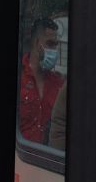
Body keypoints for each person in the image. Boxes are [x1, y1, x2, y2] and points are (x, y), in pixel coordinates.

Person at [19, 17, 65, 146]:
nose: (54, 51)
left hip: (45, 161)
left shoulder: (59, 84)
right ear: (36, 43)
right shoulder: (18, 78)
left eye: (56, 45)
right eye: (50, 44)